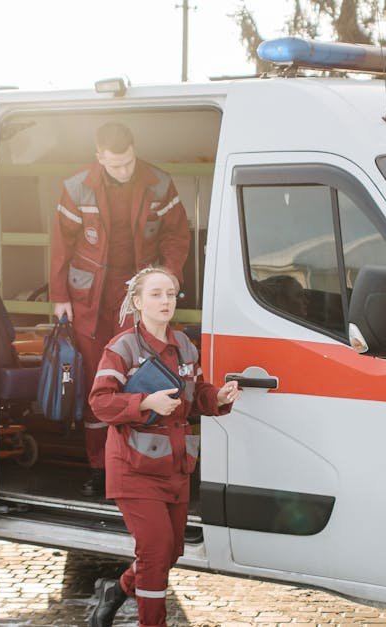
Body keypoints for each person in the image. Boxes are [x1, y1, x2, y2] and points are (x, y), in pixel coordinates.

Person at [87, 266, 240, 627]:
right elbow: (100, 402)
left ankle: (119, 589)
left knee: (171, 551)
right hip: (133, 465)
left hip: (175, 466)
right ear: (137, 302)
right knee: (155, 550)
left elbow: (194, 395)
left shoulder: (185, 345)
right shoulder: (121, 347)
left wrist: (216, 396)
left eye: (170, 294)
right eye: (156, 294)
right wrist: (144, 402)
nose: (165, 301)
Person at [49, 122, 191, 496]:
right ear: (100, 157)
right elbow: (61, 244)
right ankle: (100, 466)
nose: (124, 170)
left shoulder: (158, 183)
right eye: (116, 165)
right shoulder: (75, 186)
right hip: (89, 300)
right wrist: (59, 296)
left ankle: (141, 465)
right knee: (100, 382)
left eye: (128, 162)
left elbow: (177, 234)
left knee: (141, 377)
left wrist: (169, 279)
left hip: (140, 293)